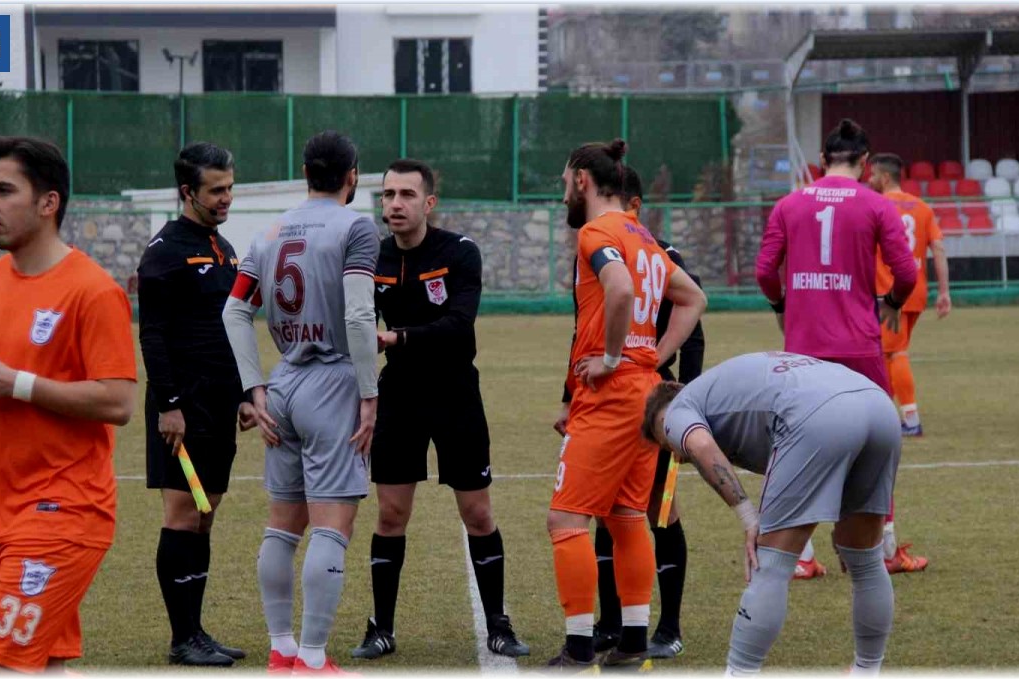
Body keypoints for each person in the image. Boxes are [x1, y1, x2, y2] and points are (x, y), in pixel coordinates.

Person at [0, 135, 137, 672]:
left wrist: (17, 383)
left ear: (48, 203)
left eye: (3, 190)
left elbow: (118, 402)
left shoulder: (92, 290)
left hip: (63, 512)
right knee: (42, 665)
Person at [350, 158, 530, 661]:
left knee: (477, 512)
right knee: (390, 513)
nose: (395, 204)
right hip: (399, 399)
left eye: (406, 195)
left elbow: (458, 324)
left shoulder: (459, 253)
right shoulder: (374, 259)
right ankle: (380, 627)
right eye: (387, 195)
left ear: (429, 202)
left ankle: (499, 622)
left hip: (455, 395)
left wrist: (398, 337)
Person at [222, 130, 379, 674]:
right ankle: (312, 659)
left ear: (306, 173)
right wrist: (370, 394)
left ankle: (281, 649)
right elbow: (359, 317)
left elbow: (234, 311)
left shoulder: (270, 230)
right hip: (333, 380)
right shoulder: (357, 226)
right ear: (351, 175)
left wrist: (255, 387)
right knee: (333, 525)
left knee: (282, 526)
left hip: (283, 383)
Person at [547, 139, 707, 668]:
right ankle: (634, 641)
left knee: (566, 519)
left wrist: (615, 357)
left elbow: (617, 290)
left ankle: (576, 650)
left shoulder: (597, 232)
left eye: (564, 181)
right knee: (627, 516)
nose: (562, 191)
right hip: (642, 394)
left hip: (612, 395)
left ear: (584, 182)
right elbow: (693, 298)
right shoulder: (642, 235)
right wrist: (650, 358)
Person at [641, 351, 900, 676]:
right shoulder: (722, 389)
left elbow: (701, 446)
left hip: (817, 415)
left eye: (667, 447)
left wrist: (749, 517)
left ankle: (740, 673)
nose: (676, 457)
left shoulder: (677, 410)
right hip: (877, 405)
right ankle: (867, 670)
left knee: (771, 566)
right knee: (865, 562)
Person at [754, 118, 925, 579]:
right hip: (860, 346)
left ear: (822, 162)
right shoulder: (875, 203)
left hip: (805, 346)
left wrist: (780, 305)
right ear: (866, 165)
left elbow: (766, 269)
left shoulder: (790, 203)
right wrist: (890, 303)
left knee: (797, 445)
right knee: (878, 446)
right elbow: (906, 272)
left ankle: (801, 558)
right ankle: (880, 549)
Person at [137, 142, 247, 666]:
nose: (227, 197)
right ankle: (183, 638)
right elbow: (152, 335)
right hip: (181, 405)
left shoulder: (222, 246)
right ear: (188, 192)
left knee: (206, 514)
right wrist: (169, 405)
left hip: (221, 403)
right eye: (216, 190)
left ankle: (198, 631)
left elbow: (232, 327)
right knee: (182, 515)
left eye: (229, 187)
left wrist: (247, 393)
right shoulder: (164, 251)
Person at [867, 152, 952, 439]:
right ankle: (886, 415)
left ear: (885, 177)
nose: (869, 179)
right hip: (916, 291)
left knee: (893, 352)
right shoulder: (923, 207)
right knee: (890, 353)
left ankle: (911, 420)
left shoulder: (876, 206)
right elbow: (938, 248)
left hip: (889, 294)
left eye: (873, 174)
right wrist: (944, 291)